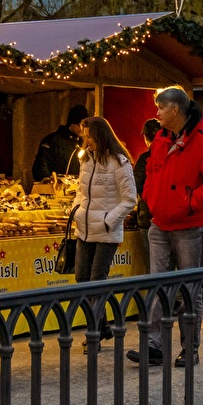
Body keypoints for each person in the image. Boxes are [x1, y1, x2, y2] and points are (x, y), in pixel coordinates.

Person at [127, 86, 203, 368]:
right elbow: (150, 173)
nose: (156, 113)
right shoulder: (160, 139)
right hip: (159, 223)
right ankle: (154, 345)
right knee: (157, 285)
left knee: (189, 289)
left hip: (189, 225)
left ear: (174, 110)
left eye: (161, 108)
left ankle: (189, 348)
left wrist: (189, 202)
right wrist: (151, 197)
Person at [70, 117, 138, 348]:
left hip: (106, 231)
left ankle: (93, 335)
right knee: (82, 279)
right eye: (84, 135)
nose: (85, 140)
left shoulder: (118, 163)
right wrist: (76, 210)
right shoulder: (86, 160)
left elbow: (130, 199)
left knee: (96, 280)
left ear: (100, 135)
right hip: (85, 229)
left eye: (89, 135)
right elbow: (81, 192)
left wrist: (110, 220)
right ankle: (102, 326)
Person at [127, 118, 161, 275]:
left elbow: (135, 186)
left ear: (146, 138)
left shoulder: (144, 159)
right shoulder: (173, 154)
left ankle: (155, 299)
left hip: (148, 219)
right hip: (168, 218)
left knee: (153, 267)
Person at [33, 104, 89, 181]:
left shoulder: (83, 142)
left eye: (84, 126)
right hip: (55, 187)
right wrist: (48, 179)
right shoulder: (52, 140)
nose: (81, 128)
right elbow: (41, 163)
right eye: (78, 124)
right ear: (71, 123)